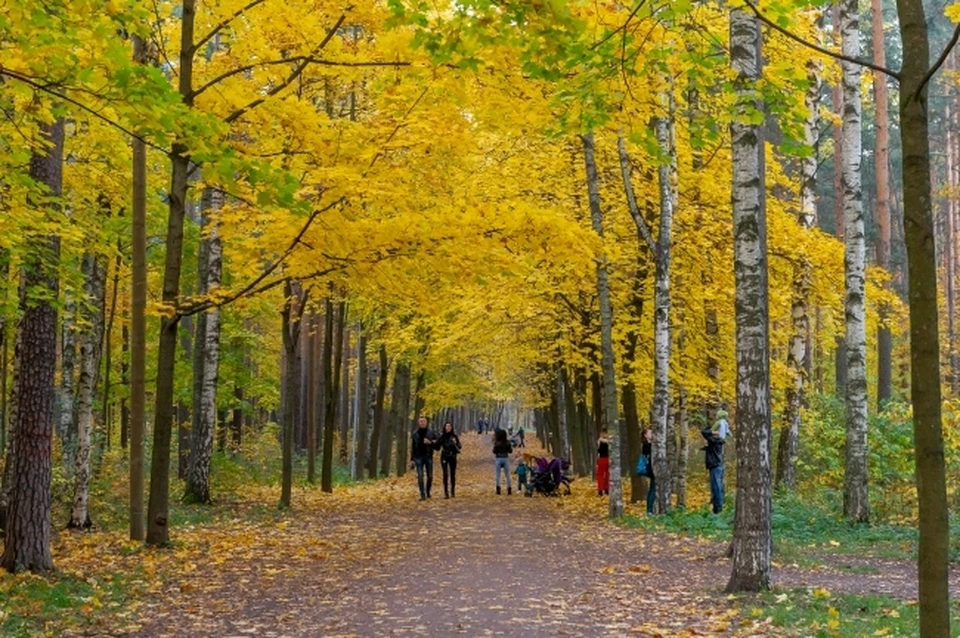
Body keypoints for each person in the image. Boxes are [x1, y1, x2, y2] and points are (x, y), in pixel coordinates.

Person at [410, 416, 440, 501]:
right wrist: (412, 459)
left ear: (426, 422)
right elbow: (413, 447)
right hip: (418, 457)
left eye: (423, 421)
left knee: (430, 476)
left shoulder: (431, 432)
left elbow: (438, 446)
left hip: (428, 456)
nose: (422, 423)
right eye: (420, 422)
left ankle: (428, 492)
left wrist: (430, 443)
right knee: (420, 476)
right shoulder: (415, 433)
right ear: (418, 423)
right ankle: (422, 494)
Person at [701, 424, 725, 513]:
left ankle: (718, 509)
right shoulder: (717, 441)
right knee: (716, 487)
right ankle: (717, 507)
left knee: (716, 488)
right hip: (716, 466)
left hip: (715, 466)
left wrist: (713, 431)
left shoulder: (714, 440)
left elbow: (704, 432)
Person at [438, 422, 462, 499]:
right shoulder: (442, 436)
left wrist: (455, 443)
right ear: (444, 427)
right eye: (446, 426)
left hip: (452, 456)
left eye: (449, 426)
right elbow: (437, 445)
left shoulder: (454, 436)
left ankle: (452, 491)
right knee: (445, 474)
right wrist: (431, 442)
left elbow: (460, 446)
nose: (448, 428)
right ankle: (446, 492)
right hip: (444, 456)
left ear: (451, 428)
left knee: (452, 474)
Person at [493, 428, 513, 495]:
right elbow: (510, 451)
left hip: (498, 458)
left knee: (498, 475)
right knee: (507, 475)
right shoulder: (507, 442)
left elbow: (494, 451)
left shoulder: (497, 443)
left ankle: (498, 489)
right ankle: (509, 489)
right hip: (505, 458)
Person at [641, 428, 655, 514]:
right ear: (645, 435)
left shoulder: (650, 444)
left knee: (652, 489)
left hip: (652, 468)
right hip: (651, 469)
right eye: (650, 433)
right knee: (653, 489)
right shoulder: (646, 445)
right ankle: (650, 510)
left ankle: (650, 509)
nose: (652, 434)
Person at [596, 431, 610, 496]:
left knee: (600, 475)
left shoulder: (600, 441)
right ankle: (606, 489)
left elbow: (598, 451)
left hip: (602, 459)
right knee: (607, 474)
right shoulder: (610, 441)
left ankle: (600, 490)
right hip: (608, 459)